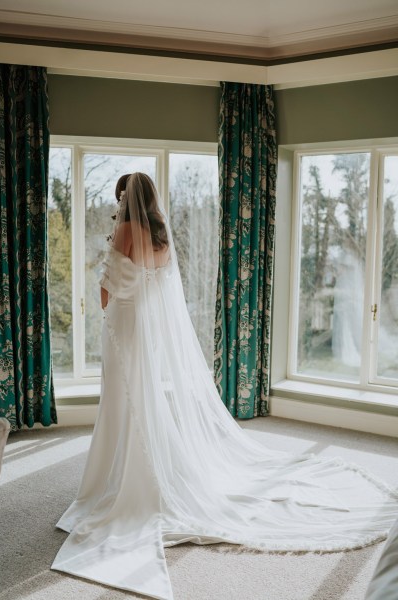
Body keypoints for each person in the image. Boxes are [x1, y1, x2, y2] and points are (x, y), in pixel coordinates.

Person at [51, 173, 398, 600]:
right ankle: (141, 470)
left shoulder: (124, 230)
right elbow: (157, 289)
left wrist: (109, 277)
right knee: (140, 398)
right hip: (145, 329)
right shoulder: (160, 238)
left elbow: (106, 294)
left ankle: (121, 480)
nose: (120, 203)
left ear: (126, 198)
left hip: (122, 323)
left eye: (121, 196)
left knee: (122, 400)